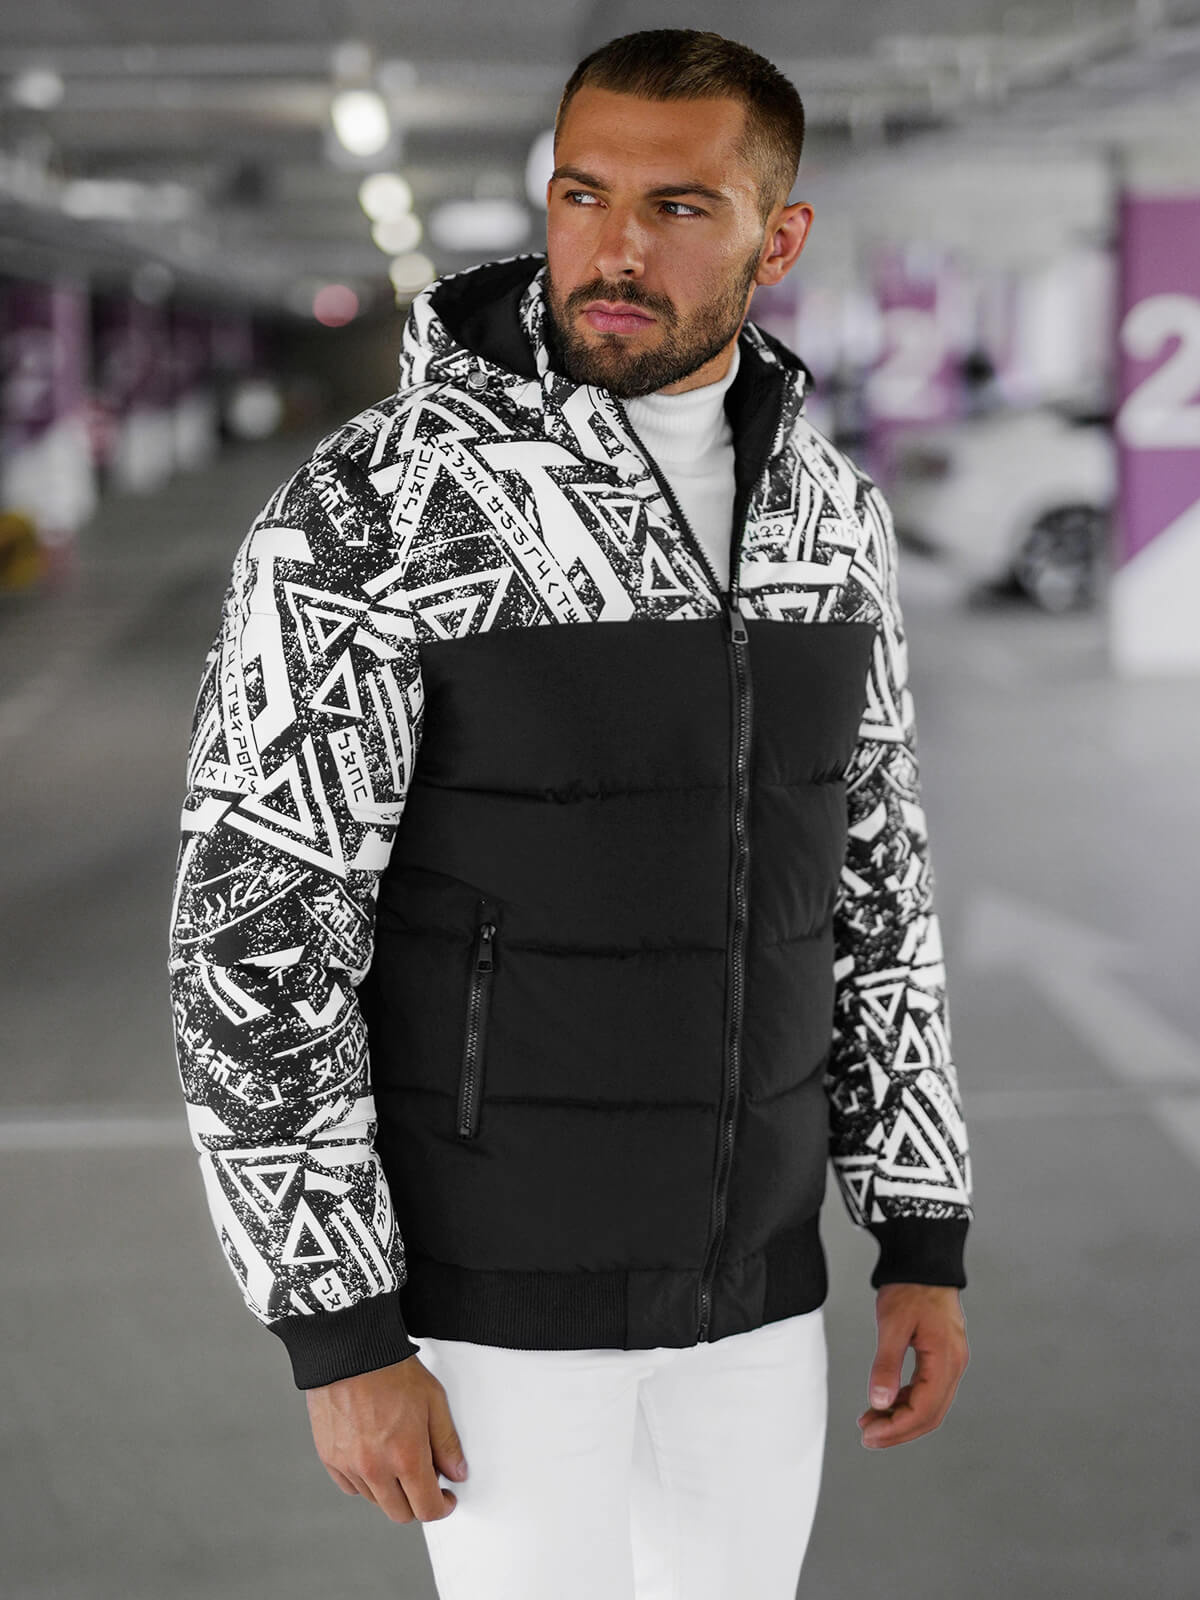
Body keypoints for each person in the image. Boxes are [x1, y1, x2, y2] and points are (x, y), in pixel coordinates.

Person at [167, 27, 971, 1599]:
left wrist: (921, 1233)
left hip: (758, 1296)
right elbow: (254, 935)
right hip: (497, 1306)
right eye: (583, 194)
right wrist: (337, 1326)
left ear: (778, 239)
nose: (614, 248)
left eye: (679, 207)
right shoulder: (386, 503)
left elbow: (877, 885)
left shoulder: (829, 515)